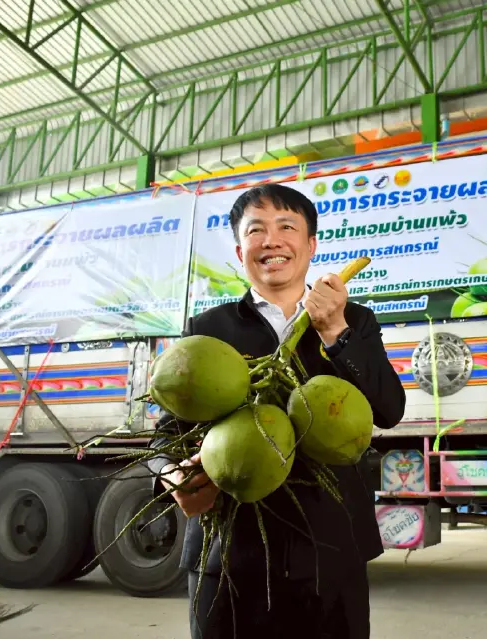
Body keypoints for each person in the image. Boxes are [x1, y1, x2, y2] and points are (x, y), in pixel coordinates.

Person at [147, 183, 407, 638]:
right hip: (229, 556)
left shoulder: (356, 320)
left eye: (287, 227)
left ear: (311, 245)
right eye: (256, 230)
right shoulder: (209, 329)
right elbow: (166, 435)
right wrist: (173, 476)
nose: (271, 240)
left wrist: (336, 331)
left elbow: (388, 409)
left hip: (331, 553)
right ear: (239, 250)